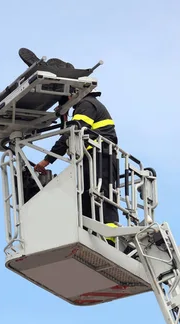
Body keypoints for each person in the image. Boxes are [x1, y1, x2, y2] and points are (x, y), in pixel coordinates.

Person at [34, 91, 119, 236]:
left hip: (100, 157)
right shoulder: (90, 103)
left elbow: (71, 133)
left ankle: (109, 237)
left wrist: (47, 160)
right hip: (94, 158)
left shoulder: (86, 105)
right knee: (88, 196)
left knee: (101, 197)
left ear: (70, 96)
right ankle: (92, 232)